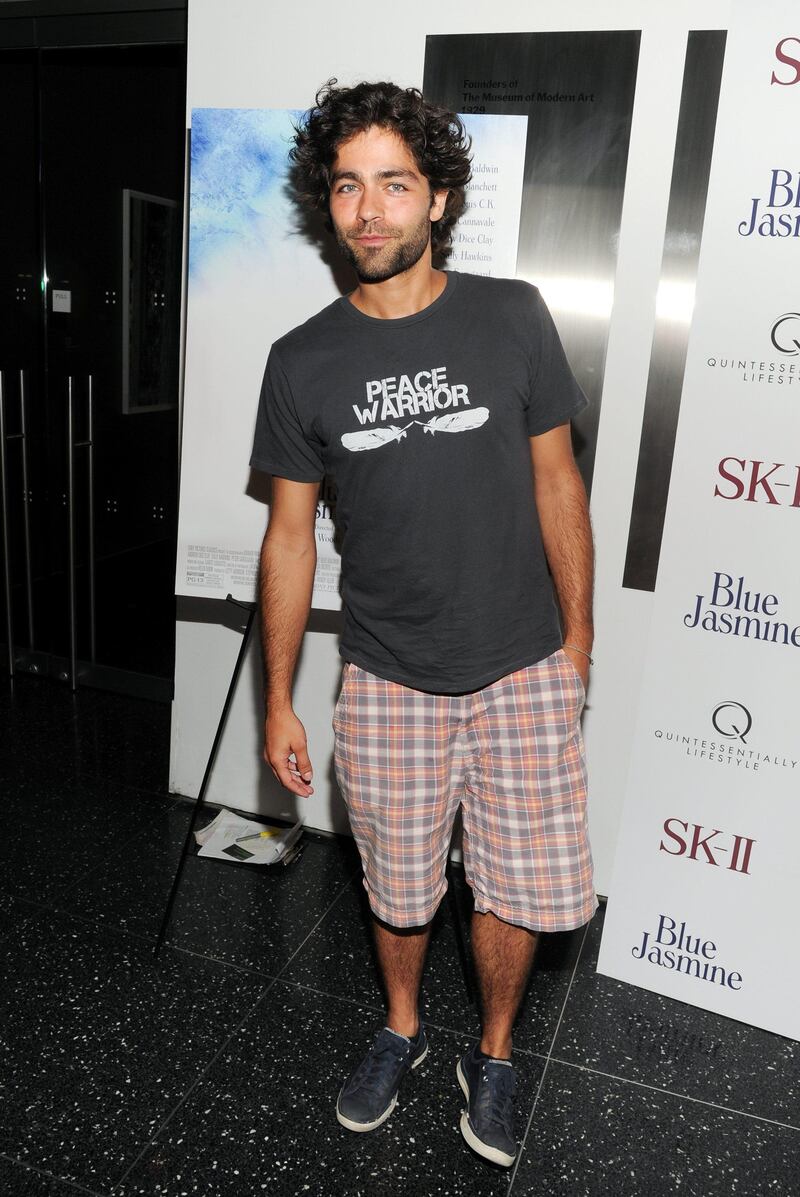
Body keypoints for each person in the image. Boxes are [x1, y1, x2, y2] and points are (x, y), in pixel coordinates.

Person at [250, 79, 596, 1169]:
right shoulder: (300, 359)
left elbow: (558, 486)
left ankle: (491, 1052)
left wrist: (575, 648)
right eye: (347, 186)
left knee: (517, 889)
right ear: (328, 204)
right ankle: (400, 1027)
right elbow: (290, 541)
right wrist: (276, 698)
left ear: (437, 198)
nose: (369, 210)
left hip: (520, 663)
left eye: (393, 184)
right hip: (388, 672)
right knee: (398, 886)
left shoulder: (510, 315)